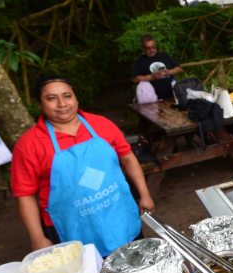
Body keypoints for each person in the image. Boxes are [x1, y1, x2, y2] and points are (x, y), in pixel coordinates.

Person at [11, 74, 154, 257]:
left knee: (138, 266)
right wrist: (37, 237)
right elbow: (25, 195)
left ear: (76, 99)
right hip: (72, 229)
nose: (62, 103)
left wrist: (144, 194)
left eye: (67, 96)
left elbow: (127, 158)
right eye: (51, 98)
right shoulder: (29, 145)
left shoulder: (101, 125)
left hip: (118, 215)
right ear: (40, 105)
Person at [131, 34, 183, 100]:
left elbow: (179, 69)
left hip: (172, 96)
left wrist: (170, 72)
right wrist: (151, 77)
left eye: (153, 47)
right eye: (148, 48)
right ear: (143, 48)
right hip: (152, 100)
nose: (151, 50)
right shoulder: (139, 61)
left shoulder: (164, 56)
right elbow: (134, 79)